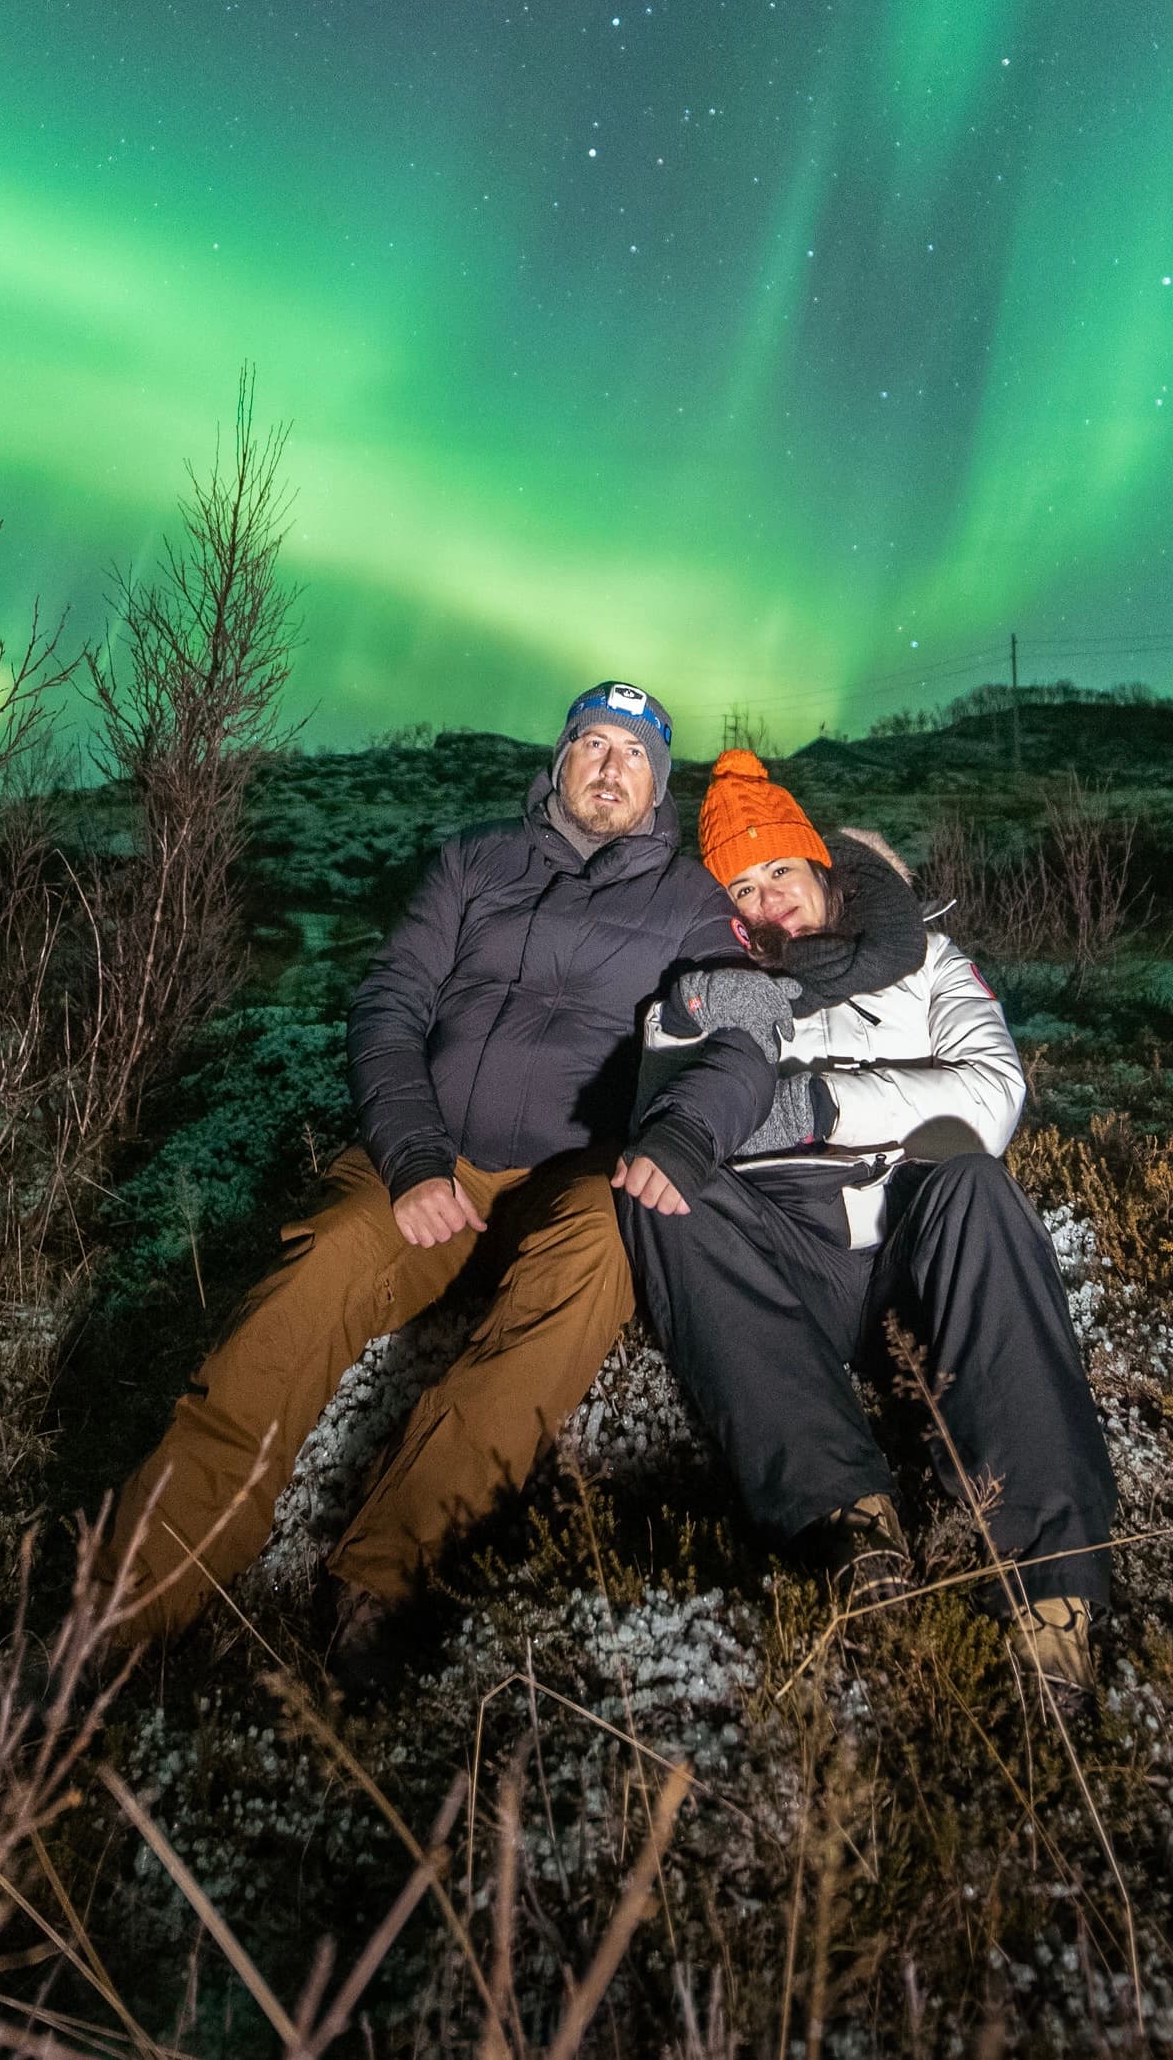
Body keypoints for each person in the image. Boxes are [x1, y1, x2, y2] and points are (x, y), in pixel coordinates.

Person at [110, 682, 736, 1654]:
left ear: (659, 786)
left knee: (602, 1252)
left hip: (576, 1173)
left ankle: (384, 1571)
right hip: (435, 1157)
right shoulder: (475, 859)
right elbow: (391, 1005)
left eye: (634, 754)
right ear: (561, 758)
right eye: (594, 745)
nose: (610, 767)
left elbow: (733, 1044)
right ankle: (135, 1596)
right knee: (314, 1275)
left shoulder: (691, 901)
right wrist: (411, 1158)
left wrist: (684, 1135)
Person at [613, 749, 1117, 1710]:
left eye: (780, 874)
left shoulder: (927, 956)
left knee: (974, 1180)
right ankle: (846, 1517)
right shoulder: (705, 986)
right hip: (778, 1245)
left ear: (822, 865)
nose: (767, 904)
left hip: (911, 1237)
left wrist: (821, 1108)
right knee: (666, 1196)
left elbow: (993, 1091)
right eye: (743, 887)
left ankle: (1053, 1590)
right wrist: (695, 1030)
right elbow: (666, 1112)